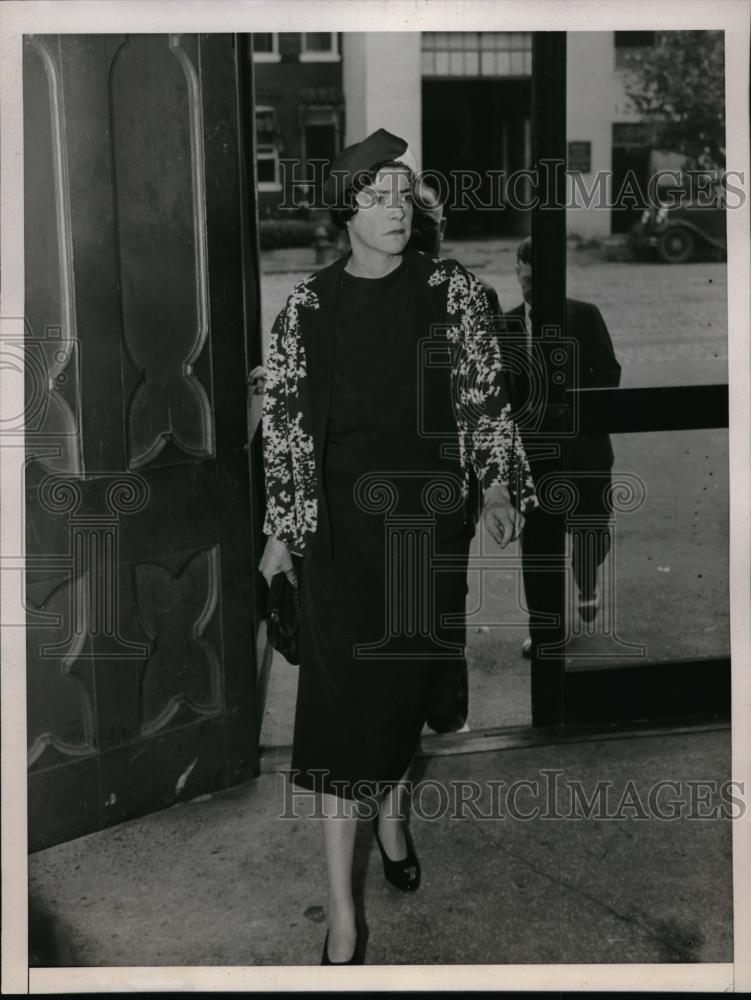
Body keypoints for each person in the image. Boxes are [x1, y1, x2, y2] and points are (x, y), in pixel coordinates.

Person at [259, 128, 537, 965]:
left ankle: (390, 814)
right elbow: (288, 431)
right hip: (339, 534)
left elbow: (482, 395)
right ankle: (343, 913)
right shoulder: (306, 305)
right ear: (344, 212)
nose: (395, 211)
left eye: (404, 197)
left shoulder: (450, 289)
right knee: (342, 715)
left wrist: (494, 482)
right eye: (376, 197)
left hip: (424, 527)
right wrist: (281, 536)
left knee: (403, 693)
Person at [502, 237, 621, 657]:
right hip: (535, 461)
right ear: (517, 273)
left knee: (591, 533)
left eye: (540, 281)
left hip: (584, 451)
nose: (531, 289)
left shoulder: (586, 317)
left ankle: (586, 575)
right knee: (537, 547)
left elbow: (609, 374)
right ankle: (545, 629)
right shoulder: (507, 326)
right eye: (526, 279)